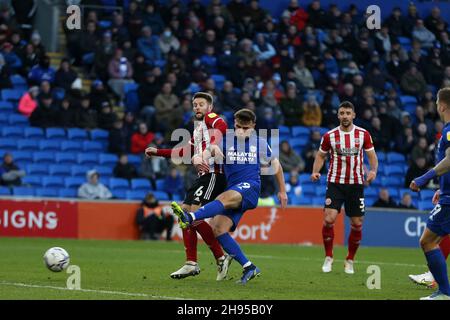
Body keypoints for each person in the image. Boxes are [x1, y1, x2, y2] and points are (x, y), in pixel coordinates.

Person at [171, 108, 288, 284]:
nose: (241, 131)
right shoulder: (225, 140)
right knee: (218, 229)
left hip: (250, 187)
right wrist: (200, 157)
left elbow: (276, 165)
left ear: (253, 126)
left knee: (223, 198)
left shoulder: (261, 142)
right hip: (234, 189)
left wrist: (282, 191)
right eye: (239, 126)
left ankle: (190, 217)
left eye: (246, 128)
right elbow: (209, 150)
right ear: (234, 123)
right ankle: (249, 267)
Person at [145, 92, 231, 280]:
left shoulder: (212, 119)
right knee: (185, 215)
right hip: (202, 177)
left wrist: (214, 145)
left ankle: (221, 257)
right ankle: (191, 262)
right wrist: (158, 152)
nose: (197, 107)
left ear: (209, 107)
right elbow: (183, 151)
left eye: (201, 104)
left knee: (192, 214)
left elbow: (222, 126)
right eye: (194, 105)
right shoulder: (198, 129)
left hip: (214, 175)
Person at [311, 101, 378, 274]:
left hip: (356, 184)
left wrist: (373, 171)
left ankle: (350, 260)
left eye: (348, 113)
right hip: (335, 183)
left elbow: (371, 155)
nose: (345, 116)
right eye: (342, 113)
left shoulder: (363, 134)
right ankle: (328, 257)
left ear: (353, 115)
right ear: (338, 115)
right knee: (329, 219)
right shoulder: (329, 136)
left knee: (356, 223)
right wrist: (315, 171)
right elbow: (320, 156)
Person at [409, 87, 450, 300]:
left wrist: (424, 178)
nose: (435, 105)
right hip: (447, 193)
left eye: (436, 102)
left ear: (442, 105)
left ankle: (443, 292)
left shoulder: (449, 130)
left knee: (427, 242)